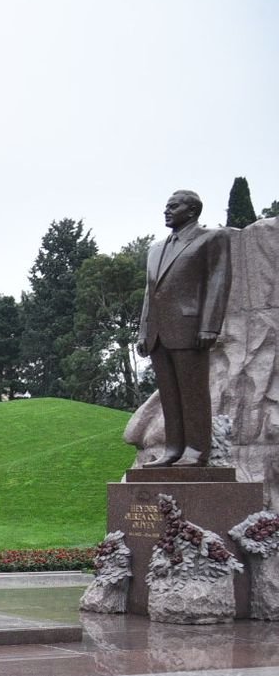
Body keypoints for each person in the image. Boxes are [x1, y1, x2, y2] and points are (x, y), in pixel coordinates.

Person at [136, 189, 233, 468]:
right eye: (166, 206)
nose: (166, 211)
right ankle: (173, 449)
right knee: (169, 395)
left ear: (192, 211)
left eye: (173, 206)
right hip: (158, 332)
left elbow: (218, 281)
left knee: (193, 393)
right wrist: (143, 331)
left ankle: (196, 451)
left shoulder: (212, 238)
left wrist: (210, 326)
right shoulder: (155, 250)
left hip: (190, 328)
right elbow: (149, 293)